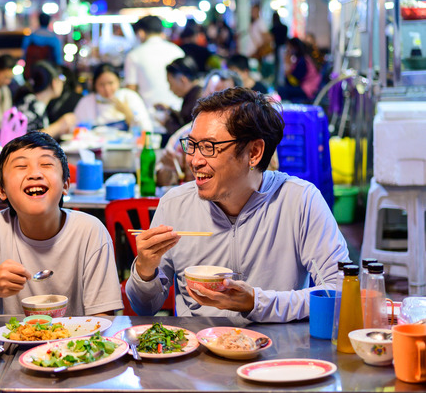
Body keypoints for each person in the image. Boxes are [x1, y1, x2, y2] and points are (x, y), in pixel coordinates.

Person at [125, 87, 349, 323]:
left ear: (254, 152)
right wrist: (144, 270)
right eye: (192, 145)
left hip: (276, 353)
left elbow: (340, 292)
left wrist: (256, 302)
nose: (195, 160)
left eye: (209, 147)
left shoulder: (299, 200)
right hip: (198, 350)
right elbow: (143, 308)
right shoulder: (175, 204)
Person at [0, 131, 123, 317]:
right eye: (21, 166)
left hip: (76, 344)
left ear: (65, 185)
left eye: (46, 164)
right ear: (1, 189)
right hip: (18, 343)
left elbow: (103, 319)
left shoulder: (90, 231)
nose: (35, 174)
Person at [156, 71, 242, 187]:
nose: (217, 105)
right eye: (211, 96)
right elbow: (162, 182)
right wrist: (168, 167)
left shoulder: (249, 139)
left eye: (225, 99)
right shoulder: (185, 136)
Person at [124, 15, 185, 118]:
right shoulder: (177, 51)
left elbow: (131, 92)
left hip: (150, 116)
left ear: (141, 33)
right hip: (178, 113)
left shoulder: (134, 55)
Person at [73, 63, 153, 132]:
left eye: (111, 83)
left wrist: (127, 112)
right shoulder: (86, 102)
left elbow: (147, 130)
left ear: (118, 81)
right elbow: (76, 130)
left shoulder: (130, 96)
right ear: (94, 85)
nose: (107, 89)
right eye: (102, 84)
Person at [15, 61, 75, 138]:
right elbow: (27, 139)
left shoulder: (34, 102)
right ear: (54, 82)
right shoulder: (31, 103)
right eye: (61, 80)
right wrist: (59, 125)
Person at [161, 57, 202, 135]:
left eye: (171, 84)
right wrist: (170, 110)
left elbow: (187, 134)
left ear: (183, 80)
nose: (170, 89)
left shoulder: (198, 100)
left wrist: (166, 123)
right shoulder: (193, 94)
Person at [278, 37, 322, 103]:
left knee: (282, 90)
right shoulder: (300, 59)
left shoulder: (303, 61)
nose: (287, 49)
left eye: (289, 47)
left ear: (295, 47)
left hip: (307, 89)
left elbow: (295, 81)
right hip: (305, 87)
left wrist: (287, 64)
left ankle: (287, 108)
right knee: (282, 89)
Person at [21, 12, 62, 80]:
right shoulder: (54, 39)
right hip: (48, 71)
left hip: (32, 70)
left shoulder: (30, 37)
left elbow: (24, 53)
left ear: (39, 21)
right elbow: (58, 58)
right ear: (49, 22)